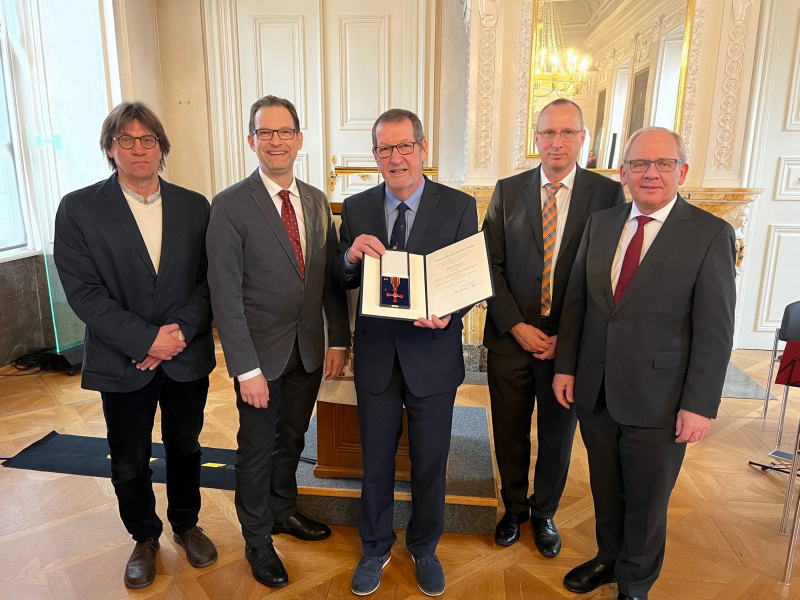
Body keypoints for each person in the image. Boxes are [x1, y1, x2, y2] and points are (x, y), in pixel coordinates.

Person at [553, 127, 736, 600]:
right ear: (623, 171)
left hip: (662, 399)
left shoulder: (710, 233)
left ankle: (635, 584)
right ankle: (607, 559)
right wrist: (566, 367)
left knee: (648, 502)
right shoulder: (602, 222)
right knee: (606, 490)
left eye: (663, 164)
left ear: (682, 171)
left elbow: (715, 331)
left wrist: (699, 405)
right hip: (596, 391)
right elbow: (576, 303)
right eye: (639, 164)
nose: (650, 173)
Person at [53, 101, 218, 589]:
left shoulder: (194, 205)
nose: (139, 149)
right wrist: (147, 340)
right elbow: (83, 292)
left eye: (149, 140)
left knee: (186, 448)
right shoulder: (79, 208)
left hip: (185, 355)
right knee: (128, 457)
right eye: (127, 139)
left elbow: (208, 283)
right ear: (110, 148)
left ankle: (186, 525)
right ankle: (144, 537)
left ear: (161, 148)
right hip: (122, 360)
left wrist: (175, 336)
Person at [206, 95, 349, 589]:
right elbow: (225, 296)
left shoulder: (313, 199)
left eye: (285, 132)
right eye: (265, 133)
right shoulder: (229, 205)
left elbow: (329, 278)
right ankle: (257, 540)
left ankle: (284, 510)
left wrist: (338, 340)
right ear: (252, 141)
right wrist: (245, 369)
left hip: (308, 350)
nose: (276, 141)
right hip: (259, 357)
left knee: (292, 438)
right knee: (256, 448)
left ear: (299, 140)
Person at [335, 109, 478, 597]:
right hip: (377, 358)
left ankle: (424, 546)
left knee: (430, 461)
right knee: (374, 461)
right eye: (384, 149)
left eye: (403, 146)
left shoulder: (459, 206)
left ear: (422, 149)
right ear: (375, 155)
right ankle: (375, 546)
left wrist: (450, 313)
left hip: (432, 356)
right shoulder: (354, 208)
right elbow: (342, 277)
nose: (394, 158)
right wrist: (351, 256)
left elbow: (469, 280)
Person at [482, 99, 625, 554]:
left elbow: (604, 274)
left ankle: (544, 514)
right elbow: (489, 267)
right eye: (547, 133)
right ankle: (514, 509)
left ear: (583, 138)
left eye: (567, 133)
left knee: (558, 435)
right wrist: (517, 326)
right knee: (508, 429)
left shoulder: (606, 196)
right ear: (536, 139)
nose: (557, 142)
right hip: (512, 337)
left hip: (570, 342)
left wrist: (570, 337)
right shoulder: (507, 190)